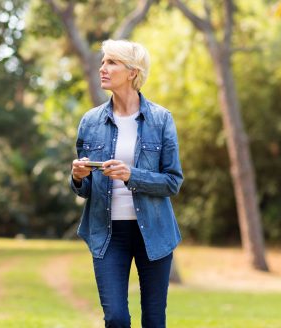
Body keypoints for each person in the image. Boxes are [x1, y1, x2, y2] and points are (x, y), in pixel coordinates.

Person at [70, 39, 184, 328]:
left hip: (154, 233)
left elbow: (172, 182)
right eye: (103, 61)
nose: (102, 68)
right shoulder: (90, 121)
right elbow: (84, 188)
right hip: (108, 233)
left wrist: (131, 175)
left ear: (132, 71)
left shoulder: (160, 120)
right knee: (117, 319)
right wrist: (78, 178)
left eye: (111, 62)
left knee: (154, 321)